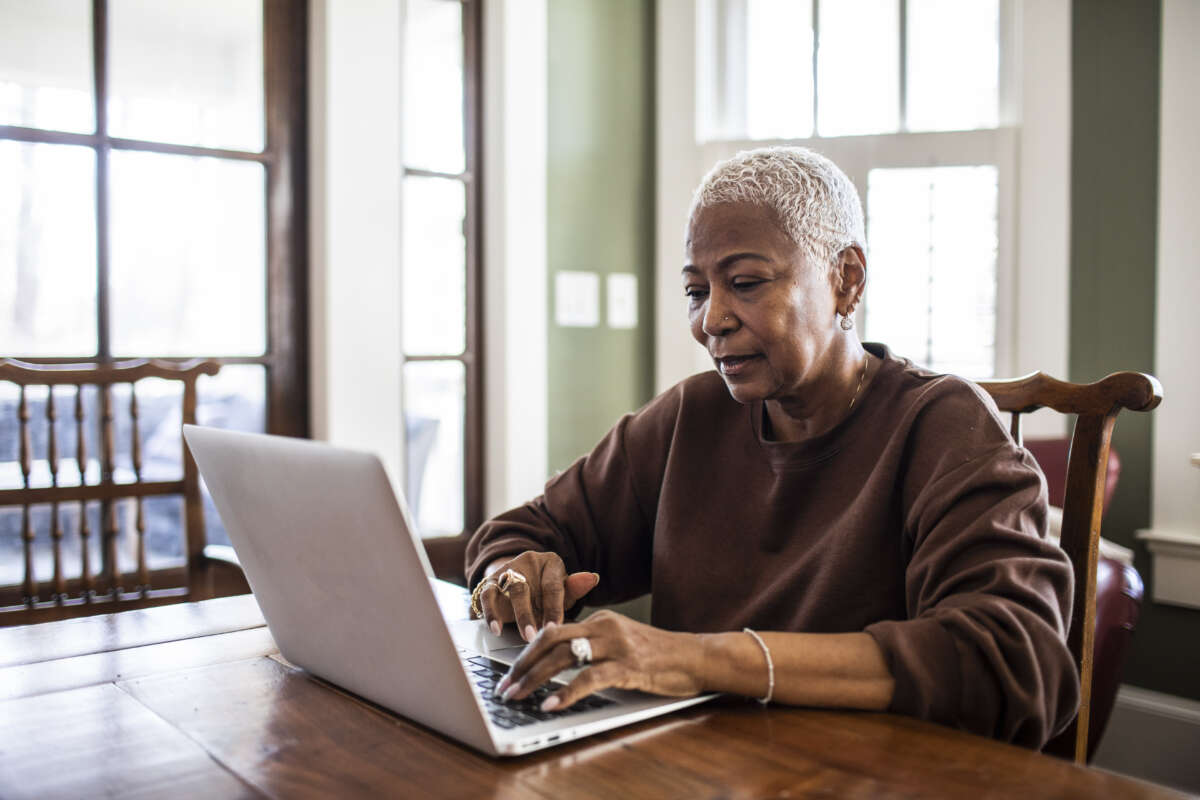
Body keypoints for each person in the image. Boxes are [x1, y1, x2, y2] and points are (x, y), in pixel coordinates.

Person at [464, 146, 1079, 749]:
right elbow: (524, 532)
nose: (712, 320)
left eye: (746, 283)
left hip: (863, 775)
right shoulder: (692, 416)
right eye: (696, 291)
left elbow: (1014, 663)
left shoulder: (943, 424)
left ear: (846, 281)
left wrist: (699, 658)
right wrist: (513, 572)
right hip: (701, 766)